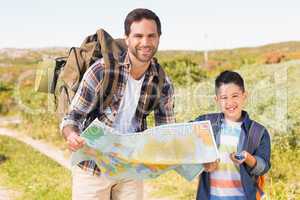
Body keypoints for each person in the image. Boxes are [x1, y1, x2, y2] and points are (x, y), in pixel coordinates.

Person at [61, 8, 175, 200]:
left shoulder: (163, 82)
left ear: (159, 38)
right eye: (138, 36)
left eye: (151, 36)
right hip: (93, 167)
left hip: (131, 168)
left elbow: (166, 131)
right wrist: (72, 135)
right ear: (127, 38)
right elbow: (72, 117)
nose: (145, 42)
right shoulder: (101, 71)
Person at [194, 70, 271, 200]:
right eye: (224, 97)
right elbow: (186, 145)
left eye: (235, 96)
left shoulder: (259, 132)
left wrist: (248, 158)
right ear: (217, 99)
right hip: (210, 197)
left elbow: (263, 168)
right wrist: (202, 163)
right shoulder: (205, 123)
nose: (229, 102)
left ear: (244, 96)